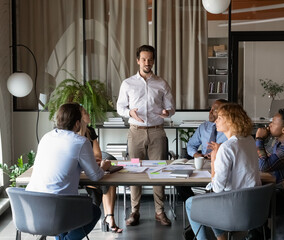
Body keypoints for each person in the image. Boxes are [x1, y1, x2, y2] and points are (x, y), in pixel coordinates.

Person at [26, 103, 111, 240]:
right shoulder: (80, 142)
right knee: (94, 212)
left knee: (62, 209)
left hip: (32, 206)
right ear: (77, 123)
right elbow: (95, 176)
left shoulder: (46, 137)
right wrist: (104, 167)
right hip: (59, 207)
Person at [116, 44, 175, 226]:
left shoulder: (162, 83)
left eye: (150, 59)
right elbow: (120, 107)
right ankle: (135, 211)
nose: (147, 62)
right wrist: (129, 113)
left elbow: (171, 108)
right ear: (137, 60)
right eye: (143, 59)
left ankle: (160, 211)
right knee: (135, 172)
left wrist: (167, 112)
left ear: (153, 61)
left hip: (157, 133)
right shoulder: (127, 83)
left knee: (159, 172)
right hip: (136, 133)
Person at [185, 103, 261, 240]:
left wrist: (214, 160)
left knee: (192, 203)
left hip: (234, 209)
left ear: (231, 120)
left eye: (219, 118)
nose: (215, 121)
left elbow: (217, 189)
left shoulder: (227, 147)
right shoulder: (249, 140)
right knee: (210, 200)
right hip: (253, 206)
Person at [79, 107, 123, 233]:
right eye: (85, 113)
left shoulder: (90, 131)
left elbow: (97, 155)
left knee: (108, 178)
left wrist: (94, 163)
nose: (89, 114)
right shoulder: (74, 137)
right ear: (79, 119)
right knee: (105, 181)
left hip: (90, 169)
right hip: (80, 174)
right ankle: (108, 218)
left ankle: (108, 217)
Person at [177, 99, 228, 202]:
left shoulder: (229, 129)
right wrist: (196, 155)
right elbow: (191, 145)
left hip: (221, 163)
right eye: (210, 109)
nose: (210, 112)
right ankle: (193, 203)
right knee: (179, 181)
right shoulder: (204, 127)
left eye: (214, 110)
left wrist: (217, 153)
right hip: (203, 161)